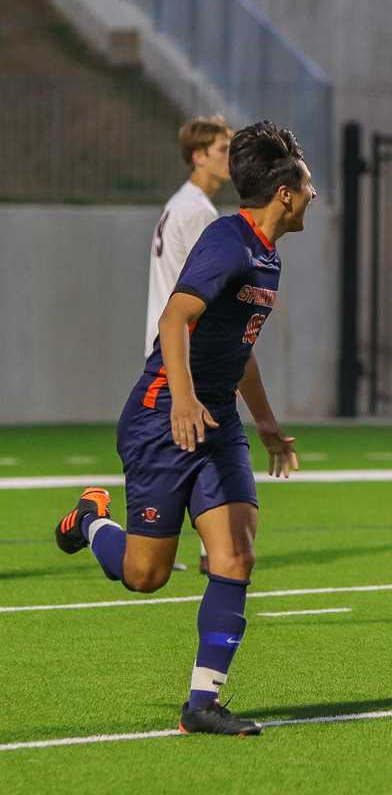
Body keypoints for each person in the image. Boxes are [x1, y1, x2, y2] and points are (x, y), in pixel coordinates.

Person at [53, 121, 314, 735]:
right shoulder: (228, 241)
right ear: (284, 193)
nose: (313, 193)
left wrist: (269, 424)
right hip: (162, 418)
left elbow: (237, 348)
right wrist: (182, 401)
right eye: (307, 182)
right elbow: (175, 321)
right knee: (145, 575)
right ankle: (91, 518)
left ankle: (202, 705)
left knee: (236, 553)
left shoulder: (267, 254)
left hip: (214, 420)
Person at [147, 116, 234, 574]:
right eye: (223, 149)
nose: (230, 157)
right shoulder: (198, 211)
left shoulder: (182, 204)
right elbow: (204, 294)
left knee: (189, 445)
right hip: (183, 348)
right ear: (199, 156)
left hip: (168, 345)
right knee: (196, 442)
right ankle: (198, 547)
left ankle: (203, 547)